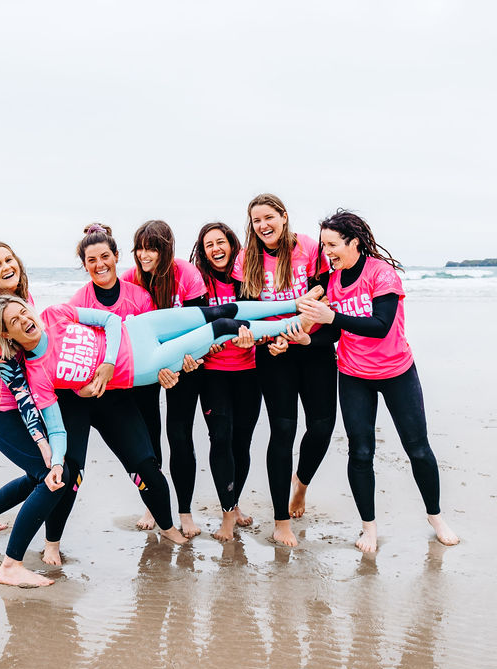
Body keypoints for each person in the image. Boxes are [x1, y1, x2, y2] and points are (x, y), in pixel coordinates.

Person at [0, 291, 322, 543]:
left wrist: (106, 363)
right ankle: (295, 325)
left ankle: (296, 305)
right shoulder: (38, 374)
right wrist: (56, 463)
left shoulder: (55, 314)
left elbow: (110, 320)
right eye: (14, 322)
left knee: (217, 310)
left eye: (22, 311)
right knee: (222, 327)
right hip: (143, 364)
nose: (25, 319)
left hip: (138, 329)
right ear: (8, 336)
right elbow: (55, 428)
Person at [297, 210, 460, 552]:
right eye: (324, 244)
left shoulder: (381, 274)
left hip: (397, 372)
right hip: (354, 375)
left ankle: (436, 517)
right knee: (361, 452)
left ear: (353, 242)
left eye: (332, 244)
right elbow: (333, 331)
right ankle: (368, 528)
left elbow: (380, 325)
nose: (327, 252)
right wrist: (309, 339)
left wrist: (332, 315)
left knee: (417, 449)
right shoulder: (332, 279)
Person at [0, 240, 77, 587]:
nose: (6, 266)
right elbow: (21, 392)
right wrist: (44, 444)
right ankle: (10, 565)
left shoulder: (22, 304)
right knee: (53, 475)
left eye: (9, 259)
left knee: (35, 477)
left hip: (23, 406)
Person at [234, 193, 337, 547]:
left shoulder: (307, 247)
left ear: (284, 216)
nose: (263, 226)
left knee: (322, 427)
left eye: (268, 218)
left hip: (312, 347)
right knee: (283, 433)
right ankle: (280, 521)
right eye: (256, 220)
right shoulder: (246, 258)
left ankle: (301, 485)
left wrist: (299, 332)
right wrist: (267, 340)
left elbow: (323, 293)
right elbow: (244, 310)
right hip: (272, 353)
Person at [66, 223, 179, 531]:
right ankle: (150, 508)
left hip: (139, 383)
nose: (99, 264)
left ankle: (153, 508)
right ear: (85, 264)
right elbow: (76, 348)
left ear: (116, 256)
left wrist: (167, 370)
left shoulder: (138, 297)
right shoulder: (79, 301)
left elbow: (153, 341)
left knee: (150, 443)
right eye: (91, 260)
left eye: (105, 256)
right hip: (102, 390)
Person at [122, 220, 208, 536]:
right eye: (140, 248)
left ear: (166, 249)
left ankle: (184, 512)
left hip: (184, 363)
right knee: (148, 437)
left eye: (152, 248)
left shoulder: (186, 274)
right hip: (146, 365)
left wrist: (190, 362)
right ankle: (153, 505)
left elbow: (201, 326)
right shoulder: (131, 278)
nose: (144, 255)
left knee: (180, 435)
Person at [189, 222, 261, 541]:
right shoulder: (199, 285)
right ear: (203, 252)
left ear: (232, 245)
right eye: (209, 245)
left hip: (249, 373)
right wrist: (205, 345)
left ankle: (233, 505)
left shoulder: (247, 280)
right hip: (214, 375)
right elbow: (190, 329)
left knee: (241, 443)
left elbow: (261, 323)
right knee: (220, 439)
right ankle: (227, 516)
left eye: (221, 242)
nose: (216, 249)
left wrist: (253, 339)